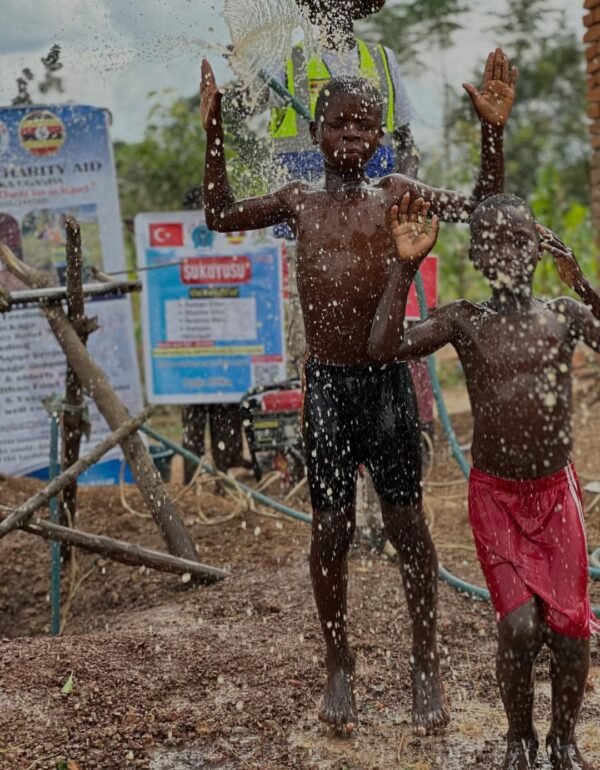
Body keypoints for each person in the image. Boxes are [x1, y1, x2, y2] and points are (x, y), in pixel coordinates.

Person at [201, 50, 516, 734]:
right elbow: (219, 215)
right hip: (328, 388)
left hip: (387, 384)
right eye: (339, 125)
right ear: (315, 132)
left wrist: (492, 132)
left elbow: (483, 206)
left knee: (408, 528)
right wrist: (213, 132)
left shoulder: (396, 193)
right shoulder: (297, 202)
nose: (352, 137)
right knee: (332, 531)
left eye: (365, 126)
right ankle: (339, 663)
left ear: (382, 136)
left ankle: (424, 662)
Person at [369, 192, 600, 770]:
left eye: (520, 236)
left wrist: (583, 286)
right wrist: (404, 266)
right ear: (475, 253)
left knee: (571, 632)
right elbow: (384, 347)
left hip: (555, 496)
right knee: (520, 627)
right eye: (493, 239)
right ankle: (519, 735)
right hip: (497, 497)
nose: (508, 248)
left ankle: (563, 738)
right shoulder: (465, 320)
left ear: (540, 245)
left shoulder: (562, 316)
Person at [268, 0, 419, 188]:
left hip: (373, 205)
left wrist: (403, 189)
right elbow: (245, 102)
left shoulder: (383, 58)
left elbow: (407, 146)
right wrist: (245, 71)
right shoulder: (286, 59)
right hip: (298, 209)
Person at [180, 187, 246, 481]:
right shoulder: (183, 249)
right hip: (205, 352)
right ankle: (206, 480)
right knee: (206, 420)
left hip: (209, 352)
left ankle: (216, 480)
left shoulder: (231, 246)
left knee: (213, 418)